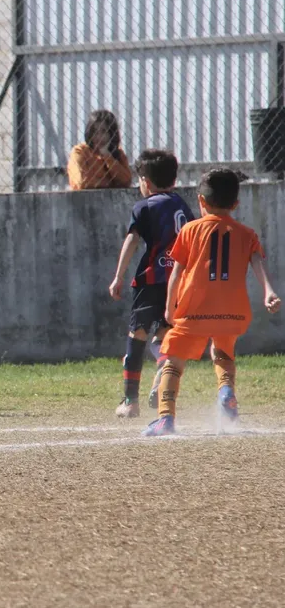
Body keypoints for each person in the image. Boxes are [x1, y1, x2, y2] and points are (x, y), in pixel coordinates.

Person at [143, 168, 281, 436]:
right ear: (236, 204)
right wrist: (269, 292)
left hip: (194, 309)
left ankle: (165, 418)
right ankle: (226, 391)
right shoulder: (246, 233)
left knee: (173, 360)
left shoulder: (190, 230)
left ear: (201, 201)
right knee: (224, 353)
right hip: (233, 311)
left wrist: (170, 305)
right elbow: (257, 263)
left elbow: (177, 272)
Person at [108, 149, 196, 418]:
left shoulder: (145, 207)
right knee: (164, 334)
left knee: (137, 336)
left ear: (145, 180)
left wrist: (118, 276)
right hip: (178, 281)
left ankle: (129, 402)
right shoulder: (183, 205)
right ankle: (161, 376)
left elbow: (133, 240)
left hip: (152, 279)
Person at [67, 110, 133, 190]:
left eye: (103, 131)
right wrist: (110, 183)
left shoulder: (117, 153)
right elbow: (82, 182)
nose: (99, 136)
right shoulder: (79, 152)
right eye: (95, 131)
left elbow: (126, 181)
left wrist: (108, 156)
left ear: (111, 133)